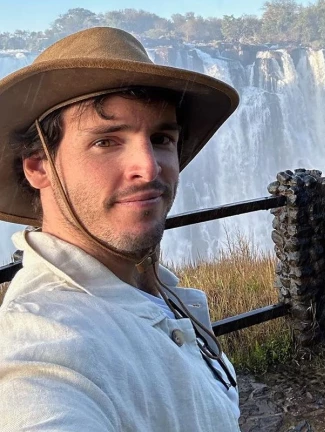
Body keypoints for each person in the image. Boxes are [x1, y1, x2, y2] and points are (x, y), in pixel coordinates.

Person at [0, 27, 242, 431]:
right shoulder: (38, 349)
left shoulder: (153, 288)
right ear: (38, 166)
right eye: (106, 142)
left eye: (161, 138)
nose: (148, 168)